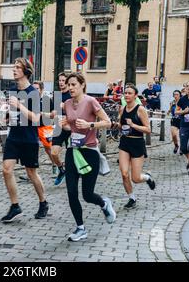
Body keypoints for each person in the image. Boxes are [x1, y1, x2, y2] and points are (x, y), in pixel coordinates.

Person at [60, 73, 116, 241]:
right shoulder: (67, 104)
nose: (69, 88)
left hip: (89, 151)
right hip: (73, 151)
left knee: (87, 194)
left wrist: (90, 124)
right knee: (71, 191)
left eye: (73, 84)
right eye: (68, 85)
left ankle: (104, 204)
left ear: (82, 85)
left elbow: (108, 122)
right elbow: (72, 126)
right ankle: (80, 228)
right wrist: (65, 125)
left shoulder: (91, 101)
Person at [0, 57, 48, 223]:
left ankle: (43, 202)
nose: (14, 70)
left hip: (29, 138)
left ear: (25, 71)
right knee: (6, 170)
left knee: (31, 173)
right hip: (14, 136)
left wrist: (20, 105)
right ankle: (15, 206)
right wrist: (8, 116)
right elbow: (16, 113)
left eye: (17, 67)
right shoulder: (13, 89)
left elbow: (35, 118)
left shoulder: (32, 92)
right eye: (14, 67)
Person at [116, 85, 156, 210]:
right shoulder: (122, 109)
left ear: (135, 95)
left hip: (137, 143)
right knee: (124, 174)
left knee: (136, 178)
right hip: (124, 143)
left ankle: (147, 178)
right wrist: (117, 125)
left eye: (129, 93)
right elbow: (120, 124)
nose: (126, 95)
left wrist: (133, 125)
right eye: (125, 93)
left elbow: (148, 129)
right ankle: (132, 198)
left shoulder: (140, 110)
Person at [51, 72, 72, 186]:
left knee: (72, 155)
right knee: (53, 153)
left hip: (70, 127)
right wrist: (53, 113)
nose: (61, 83)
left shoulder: (72, 94)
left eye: (63, 81)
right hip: (59, 126)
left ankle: (73, 173)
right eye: (59, 80)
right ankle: (61, 170)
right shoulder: (56, 94)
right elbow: (54, 111)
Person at [32, 81, 55, 171]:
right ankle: (32, 170)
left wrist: (42, 114)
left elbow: (53, 114)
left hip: (45, 126)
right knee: (33, 148)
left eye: (37, 89)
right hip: (33, 127)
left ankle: (55, 164)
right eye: (33, 89)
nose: (34, 90)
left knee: (49, 148)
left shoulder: (47, 99)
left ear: (41, 89)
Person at [167, 90, 182, 154]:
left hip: (182, 120)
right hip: (174, 120)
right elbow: (170, 110)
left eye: (177, 94)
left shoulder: (183, 102)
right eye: (174, 94)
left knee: (182, 136)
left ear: (180, 95)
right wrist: (168, 112)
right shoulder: (172, 102)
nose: (175, 96)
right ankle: (176, 145)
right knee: (174, 135)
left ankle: (182, 148)